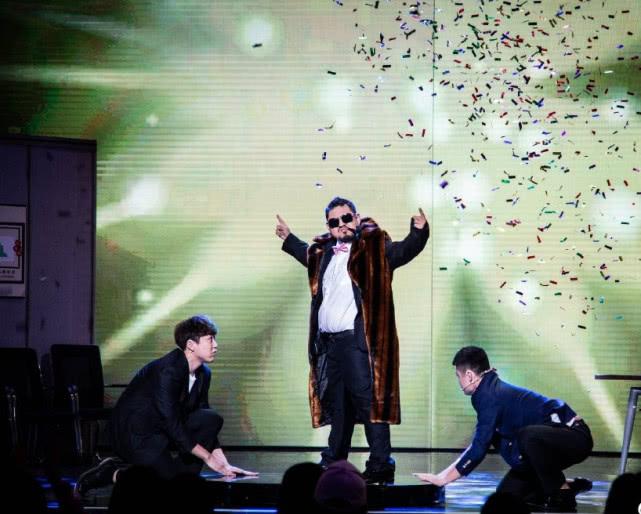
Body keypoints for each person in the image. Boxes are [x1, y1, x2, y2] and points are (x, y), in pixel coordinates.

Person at [276, 197, 429, 483]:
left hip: (357, 344)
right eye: (334, 222)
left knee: (370, 403)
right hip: (329, 345)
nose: (341, 225)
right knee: (339, 405)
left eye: (346, 218)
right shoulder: (323, 253)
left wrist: (418, 232)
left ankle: (381, 465)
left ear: (356, 218)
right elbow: (305, 254)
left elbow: (403, 251)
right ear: (329, 227)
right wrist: (289, 238)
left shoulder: (374, 248)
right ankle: (333, 461)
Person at [74, 315, 257, 496]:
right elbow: (170, 419)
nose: (215, 345)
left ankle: (176, 477)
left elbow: (204, 418)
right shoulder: (169, 370)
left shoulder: (203, 374)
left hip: (163, 430)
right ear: (191, 345)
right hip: (136, 433)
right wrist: (208, 458)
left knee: (211, 419)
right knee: (167, 484)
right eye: (210, 339)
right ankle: (111, 473)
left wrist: (223, 463)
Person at [413, 346, 593, 512]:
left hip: (573, 436)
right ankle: (569, 485)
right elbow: (478, 442)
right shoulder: (487, 390)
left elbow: (478, 449)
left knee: (528, 436)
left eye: (458, 376)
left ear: (469, 375)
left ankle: (562, 490)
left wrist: (443, 479)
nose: (459, 381)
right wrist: (441, 476)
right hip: (543, 447)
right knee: (507, 498)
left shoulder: (489, 396)